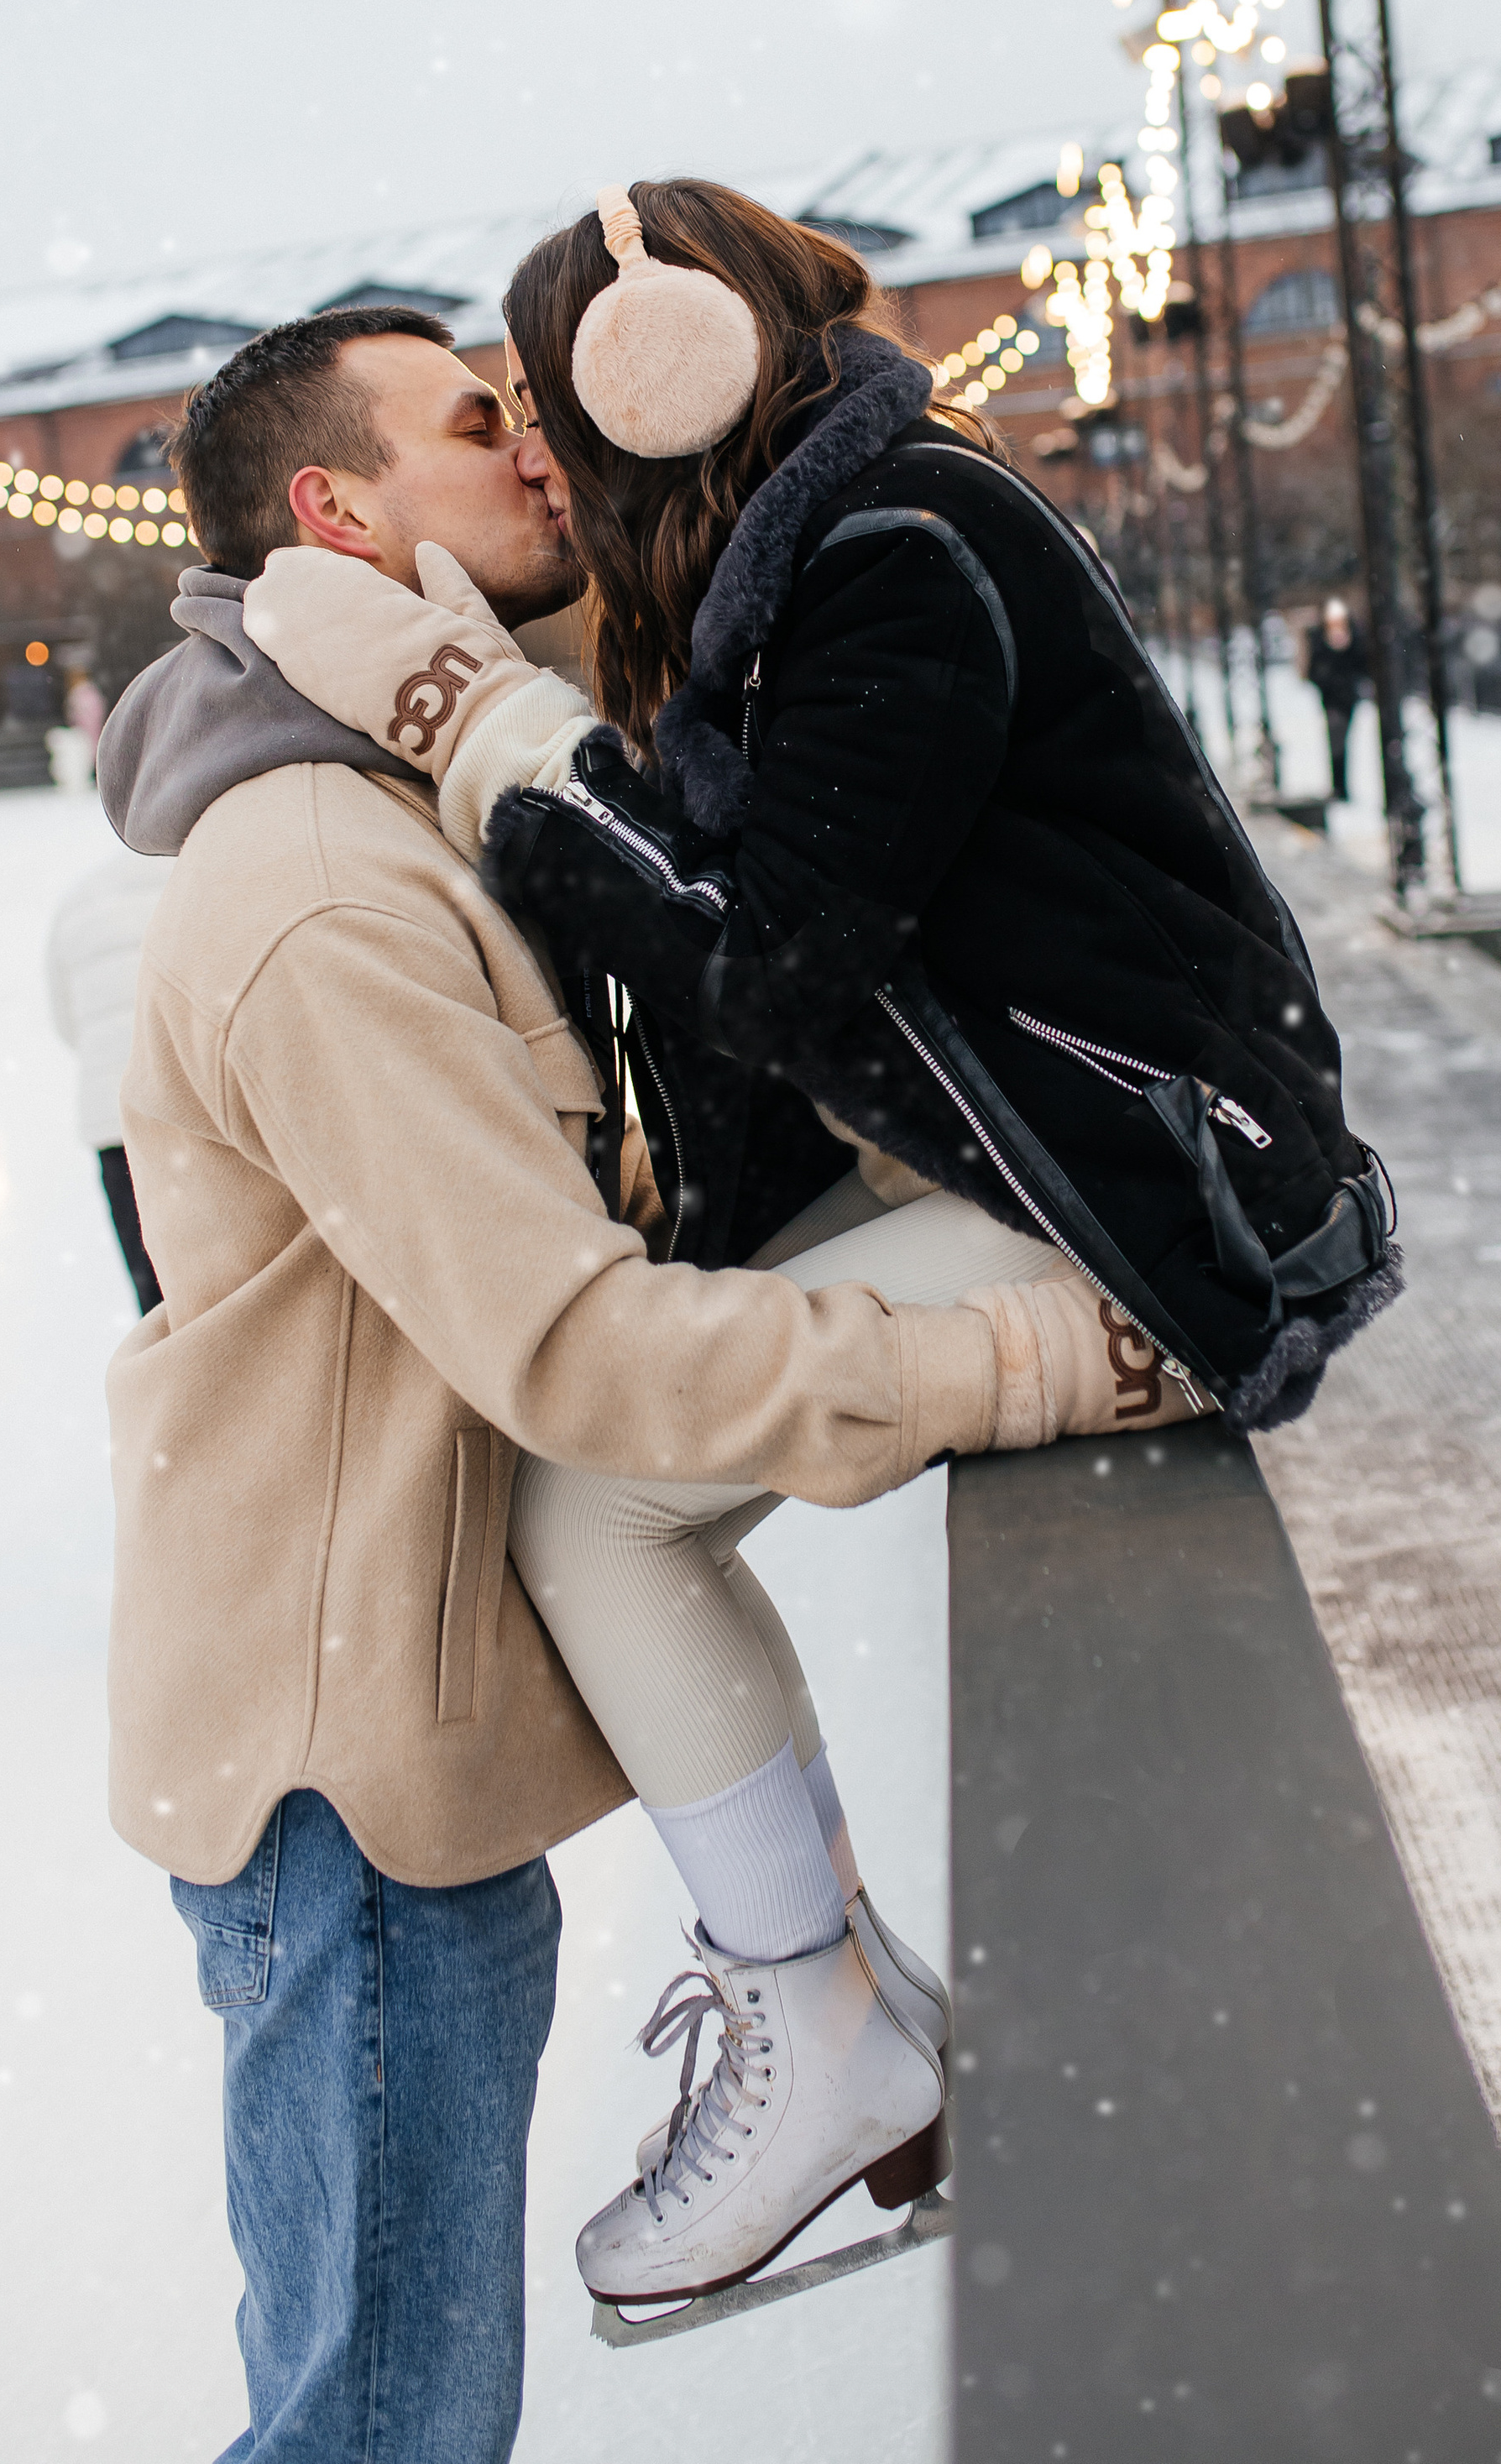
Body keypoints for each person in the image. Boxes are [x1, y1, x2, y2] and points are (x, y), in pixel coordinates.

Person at [248, 181, 1401, 2307]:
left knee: (593, 1499)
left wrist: (482, 733)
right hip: (1086, 1163)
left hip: (1169, 1204)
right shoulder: (838, 543)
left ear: (657, 379)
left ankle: (819, 2023)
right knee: (618, 1465)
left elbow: (766, 958)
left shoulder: (894, 555)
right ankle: (833, 1994)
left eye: (540, 407)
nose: (539, 458)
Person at [95, 302, 1132, 2456]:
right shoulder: (322, 887)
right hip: (341, 1777)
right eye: (477, 421)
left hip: (390, 1722)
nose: (538, 451)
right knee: (381, 2427)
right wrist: (1011, 1353)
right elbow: (575, 1345)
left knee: (380, 2408)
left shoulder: (417, 807)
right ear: (336, 514)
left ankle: (831, 2008)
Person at [44, 845, 176, 1310]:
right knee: (226, 1286)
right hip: (190, 1111)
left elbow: (67, 1023)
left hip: (113, 1121)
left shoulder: (77, 901)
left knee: (155, 1296)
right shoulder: (196, 876)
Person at [1305, 595, 1370, 805]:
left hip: (1347, 699)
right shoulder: (1319, 640)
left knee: (1341, 741)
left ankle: (1341, 786)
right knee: (1336, 741)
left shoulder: (1354, 639)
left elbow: (1363, 666)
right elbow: (1313, 672)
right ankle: (1340, 786)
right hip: (1332, 700)